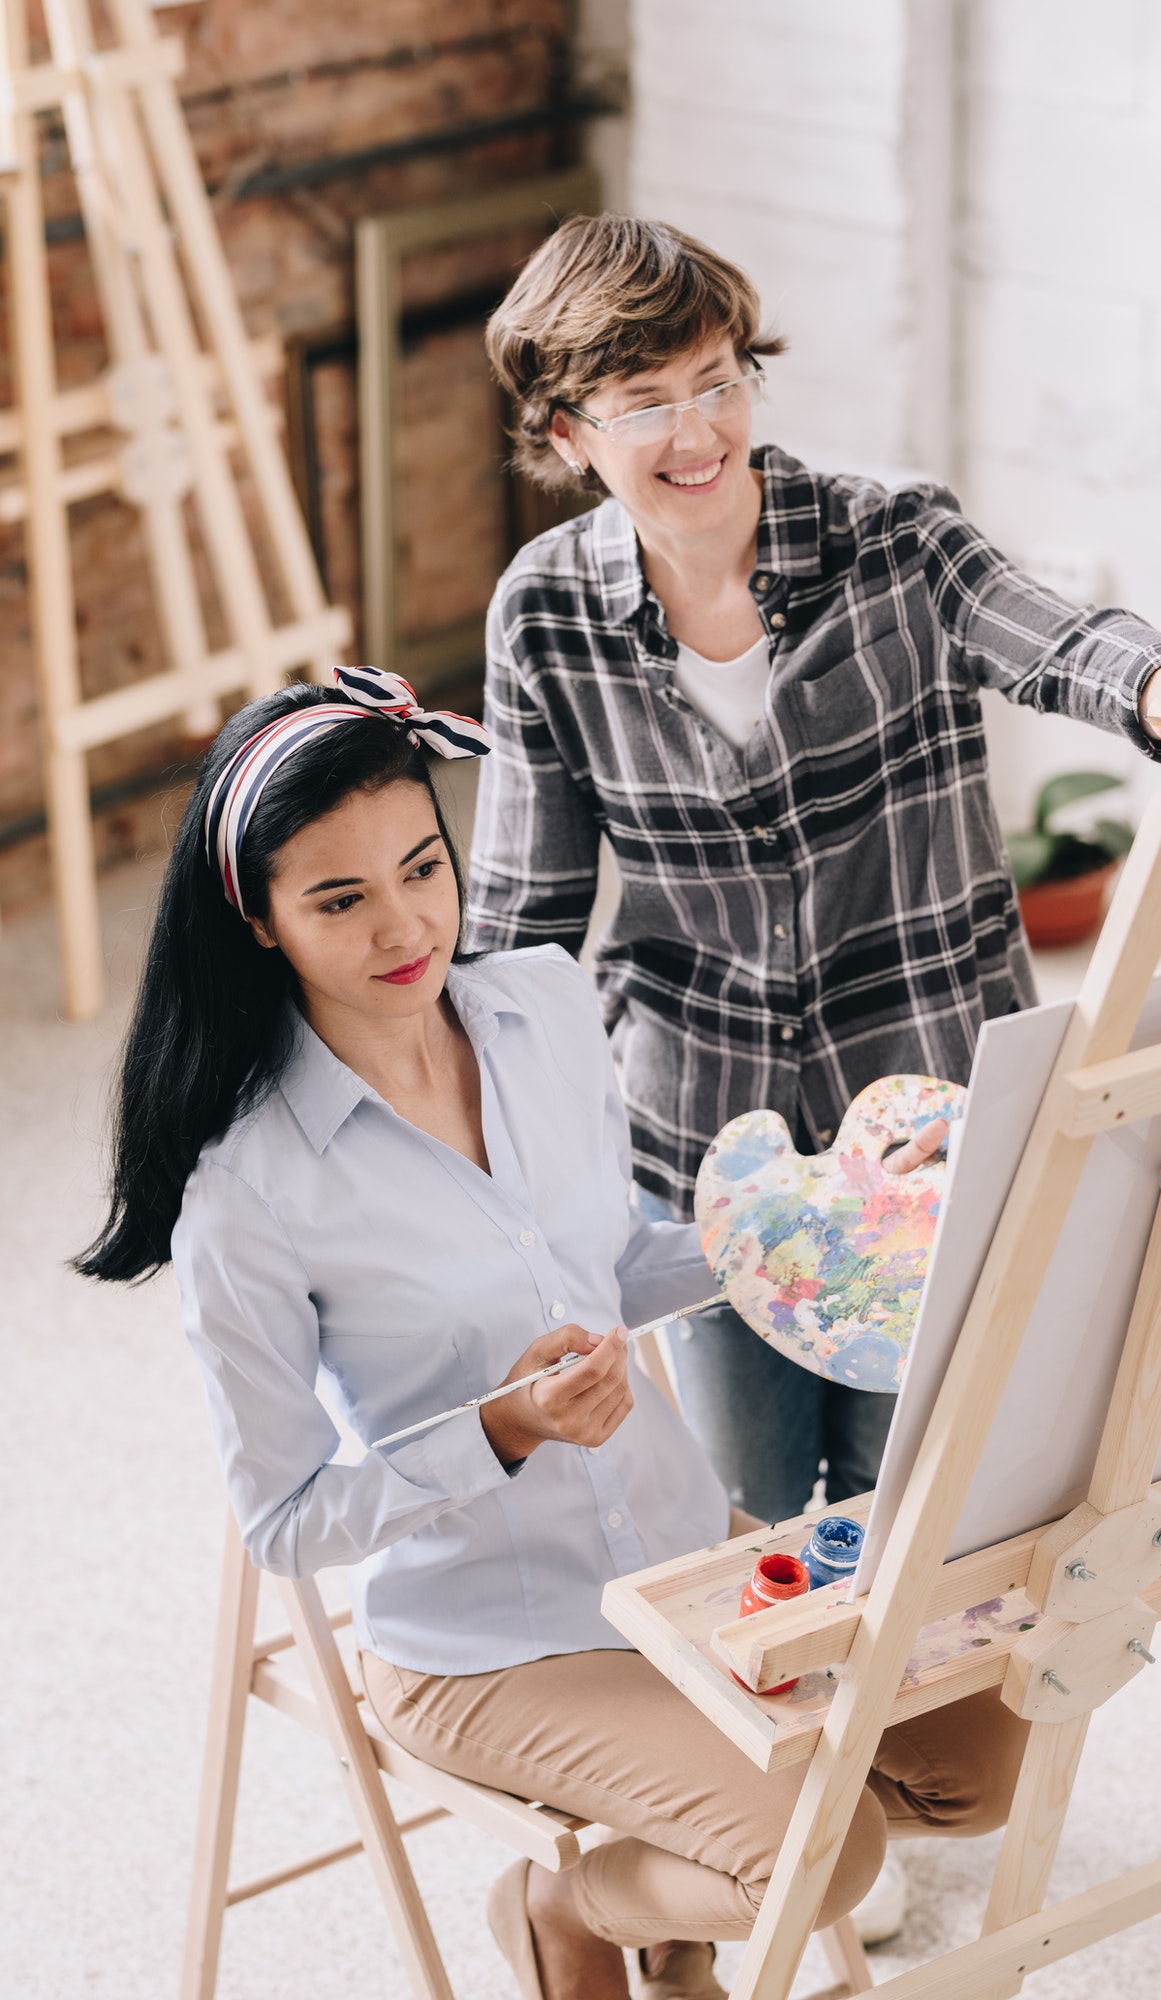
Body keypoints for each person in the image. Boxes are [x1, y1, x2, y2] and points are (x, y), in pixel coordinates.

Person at [77, 669, 1031, 2000]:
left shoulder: (538, 1006)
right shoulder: (250, 1192)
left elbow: (615, 1265)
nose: (405, 926)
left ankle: (615, 1891)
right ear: (260, 920)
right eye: (339, 900)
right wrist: (499, 1430)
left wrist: (840, 1215)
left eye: (422, 868)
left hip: (680, 1568)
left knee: (981, 1762)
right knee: (825, 1850)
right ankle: (578, 1910)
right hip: (489, 1643)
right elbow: (285, 1523)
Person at [470, 212, 1161, 1531]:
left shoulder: (891, 535)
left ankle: (905, 1748)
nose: (698, 434)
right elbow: (522, 917)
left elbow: (1053, 635)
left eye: (718, 382)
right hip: (704, 1141)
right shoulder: (544, 613)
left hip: (935, 1123)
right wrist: (463, 1121)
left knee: (925, 1512)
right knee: (751, 1516)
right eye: (644, 404)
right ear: (567, 434)